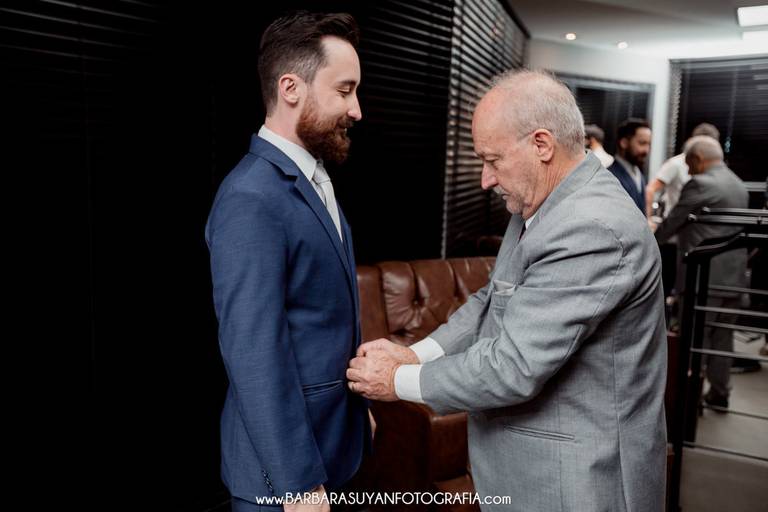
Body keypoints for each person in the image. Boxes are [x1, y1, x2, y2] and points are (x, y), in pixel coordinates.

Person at [347, 70, 667, 511]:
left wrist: (395, 380)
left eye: (493, 160)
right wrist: (415, 355)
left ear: (542, 145)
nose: (485, 179)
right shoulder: (542, 200)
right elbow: (492, 298)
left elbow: (513, 366)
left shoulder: (593, 227)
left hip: (577, 483)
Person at [205, 11, 369, 511]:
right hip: (283, 476)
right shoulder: (250, 197)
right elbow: (254, 351)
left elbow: (320, 319)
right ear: (291, 88)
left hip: (334, 444)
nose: (357, 109)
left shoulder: (312, 176)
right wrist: (297, 481)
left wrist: (356, 415)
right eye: (344, 90)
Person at [653, 136, 749, 408]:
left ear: (698, 159)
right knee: (722, 338)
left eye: (688, 163)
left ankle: (688, 400)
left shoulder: (700, 184)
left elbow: (673, 223)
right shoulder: (738, 184)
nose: (688, 169)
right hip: (734, 278)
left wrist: (650, 240)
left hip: (704, 279)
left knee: (695, 338)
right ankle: (720, 393)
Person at [645, 123, 720, 219]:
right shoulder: (675, 163)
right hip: (675, 222)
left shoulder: (712, 168)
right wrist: (647, 219)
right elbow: (650, 189)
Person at [608, 118, 652, 212]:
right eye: (642, 143)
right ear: (624, 143)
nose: (646, 150)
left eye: (648, 144)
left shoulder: (638, 173)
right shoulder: (609, 177)